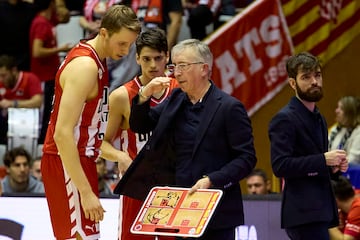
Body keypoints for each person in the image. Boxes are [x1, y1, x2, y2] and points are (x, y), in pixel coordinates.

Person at [114, 39, 257, 240]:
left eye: (183, 66)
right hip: (179, 209)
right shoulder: (175, 99)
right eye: (174, 66)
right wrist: (144, 95)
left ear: (204, 69)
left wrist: (212, 180)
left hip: (214, 209)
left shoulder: (229, 107)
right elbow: (141, 125)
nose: (176, 72)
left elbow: (246, 159)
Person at [40, 5, 141, 240]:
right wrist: (85, 192)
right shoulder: (86, 66)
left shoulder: (97, 59)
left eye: (129, 45)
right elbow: (63, 134)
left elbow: (86, 128)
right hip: (65, 161)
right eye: (122, 43)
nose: (126, 52)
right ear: (104, 33)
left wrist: (119, 156)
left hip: (79, 160)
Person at [100, 27, 178, 240]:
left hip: (172, 185)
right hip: (137, 185)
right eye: (146, 59)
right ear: (136, 58)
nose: (153, 65)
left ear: (167, 56)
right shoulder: (122, 96)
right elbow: (100, 143)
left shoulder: (180, 90)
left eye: (158, 58)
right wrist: (121, 156)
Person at [268, 51, 349, 240]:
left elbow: (316, 165)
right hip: (302, 212)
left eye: (317, 75)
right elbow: (280, 166)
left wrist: (333, 167)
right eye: (306, 77)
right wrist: (323, 160)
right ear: (292, 83)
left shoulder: (318, 117)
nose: (314, 81)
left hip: (321, 209)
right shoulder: (284, 119)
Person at [108, 0, 183, 91]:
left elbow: (176, 21)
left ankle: (115, 89)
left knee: (137, 37)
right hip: (131, 35)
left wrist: (165, 48)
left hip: (155, 39)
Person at [30, 0, 73, 145]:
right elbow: (37, 51)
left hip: (50, 76)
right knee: (43, 116)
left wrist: (62, 9)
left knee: (49, 111)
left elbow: (66, 18)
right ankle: (39, 145)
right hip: (42, 76)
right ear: (50, 4)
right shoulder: (41, 23)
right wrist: (59, 50)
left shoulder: (49, 21)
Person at [0, 54, 43, 145]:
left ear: (14, 70)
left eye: (4, 75)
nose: (1, 79)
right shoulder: (1, 82)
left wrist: (13, 104)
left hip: (27, 124)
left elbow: (38, 101)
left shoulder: (30, 78)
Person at [329, 96, 360, 165]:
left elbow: (353, 160)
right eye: (337, 107)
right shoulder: (335, 129)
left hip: (348, 173)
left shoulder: (358, 131)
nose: (336, 111)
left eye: (341, 108)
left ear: (350, 113)